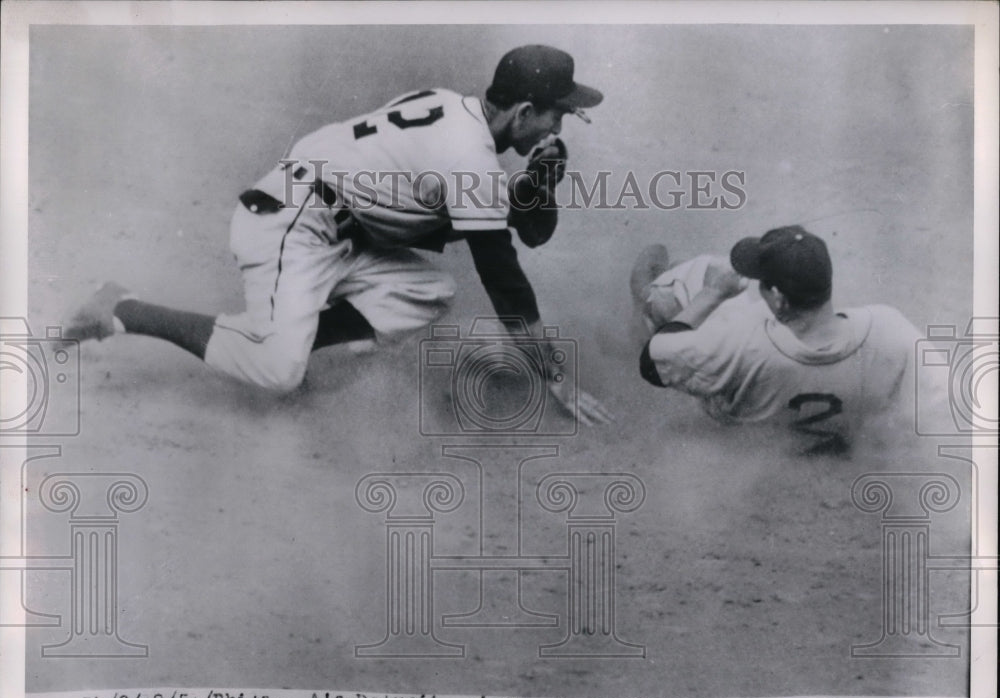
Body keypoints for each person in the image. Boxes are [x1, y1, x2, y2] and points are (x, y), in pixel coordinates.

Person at [63, 45, 611, 425]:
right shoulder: (470, 160)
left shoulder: (447, 104)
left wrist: (538, 187)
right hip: (289, 224)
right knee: (278, 372)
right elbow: (506, 280)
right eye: (557, 115)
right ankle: (129, 308)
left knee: (429, 292)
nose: (559, 129)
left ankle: (286, 339)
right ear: (523, 111)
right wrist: (554, 375)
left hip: (335, 225)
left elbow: (501, 222)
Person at [633, 226, 921, 453]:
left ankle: (657, 286)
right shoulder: (887, 330)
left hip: (739, 417)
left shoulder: (738, 341)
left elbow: (651, 362)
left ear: (780, 300)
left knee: (698, 278)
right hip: (808, 430)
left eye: (765, 287)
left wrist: (713, 294)